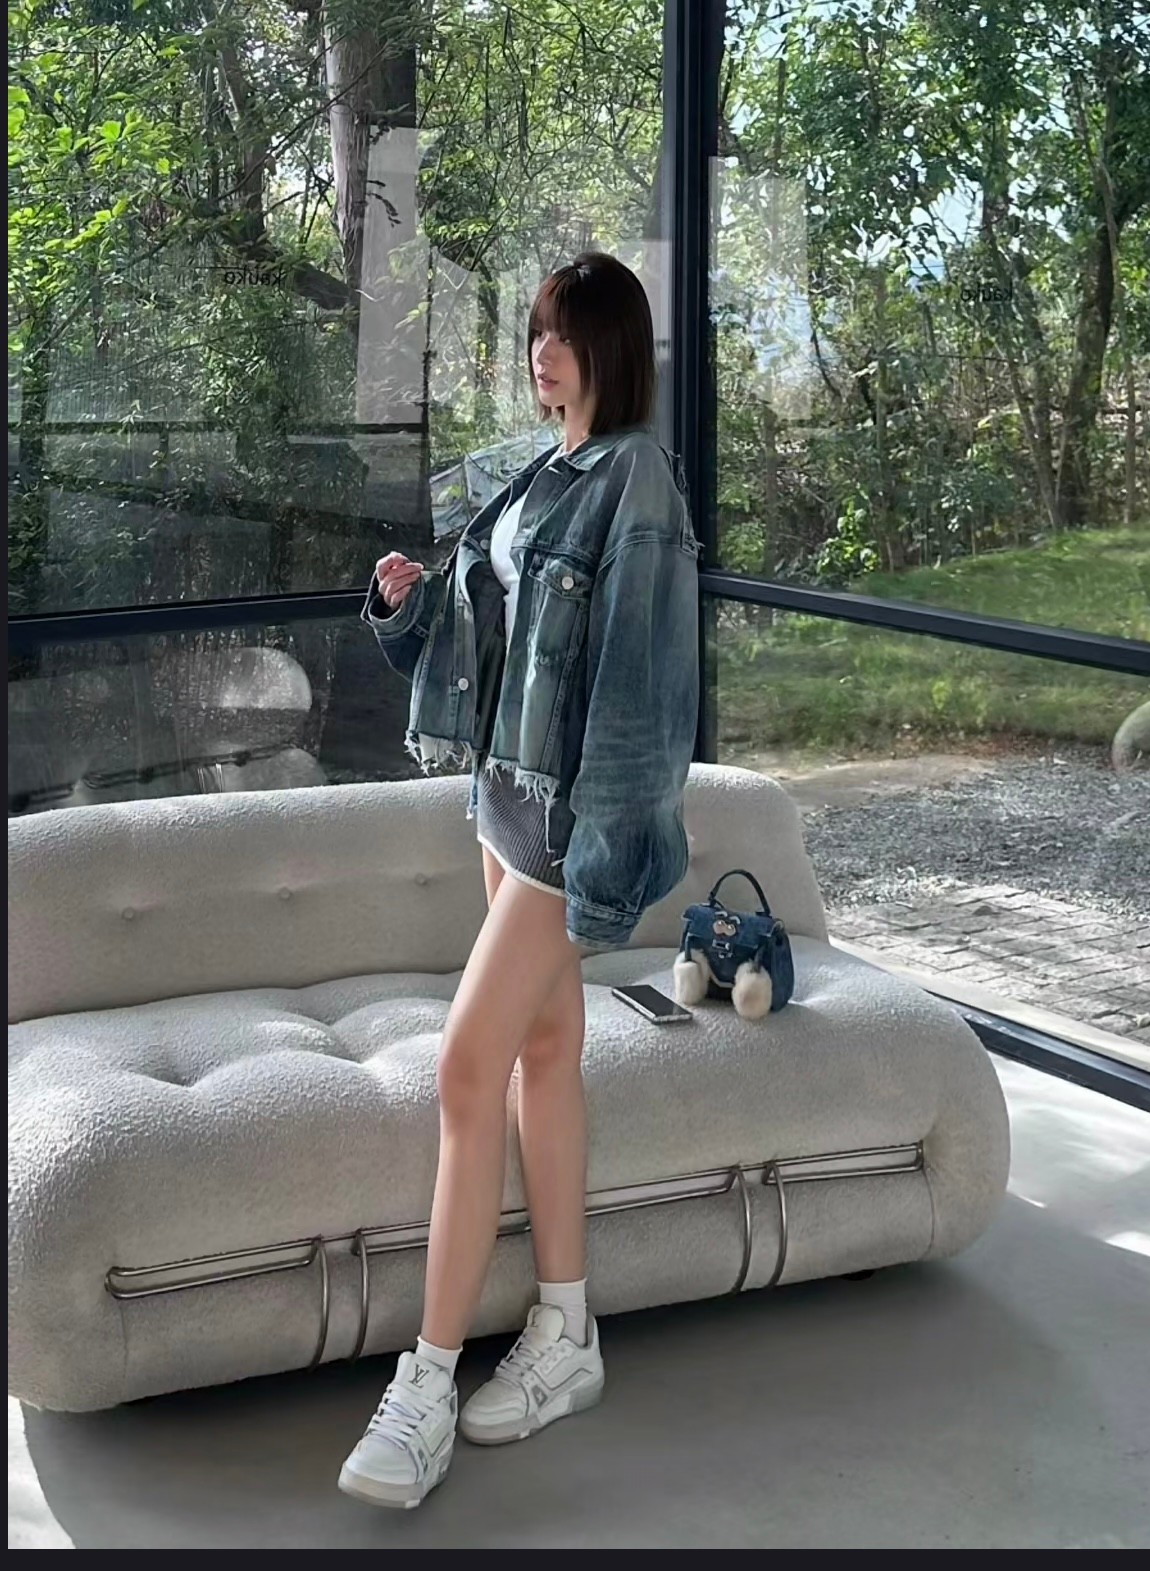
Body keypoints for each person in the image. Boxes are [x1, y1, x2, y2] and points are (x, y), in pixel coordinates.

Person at [340, 252, 699, 1509]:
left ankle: (426, 1381)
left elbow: (643, 692)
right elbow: (485, 644)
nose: (541, 352)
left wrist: (602, 861)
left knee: (464, 1066)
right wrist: (411, 605)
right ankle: (567, 1330)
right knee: (546, 1055)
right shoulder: (538, 473)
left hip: (560, 825)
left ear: (612, 349)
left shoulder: (637, 480)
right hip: (496, 803)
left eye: (564, 333)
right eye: (537, 331)